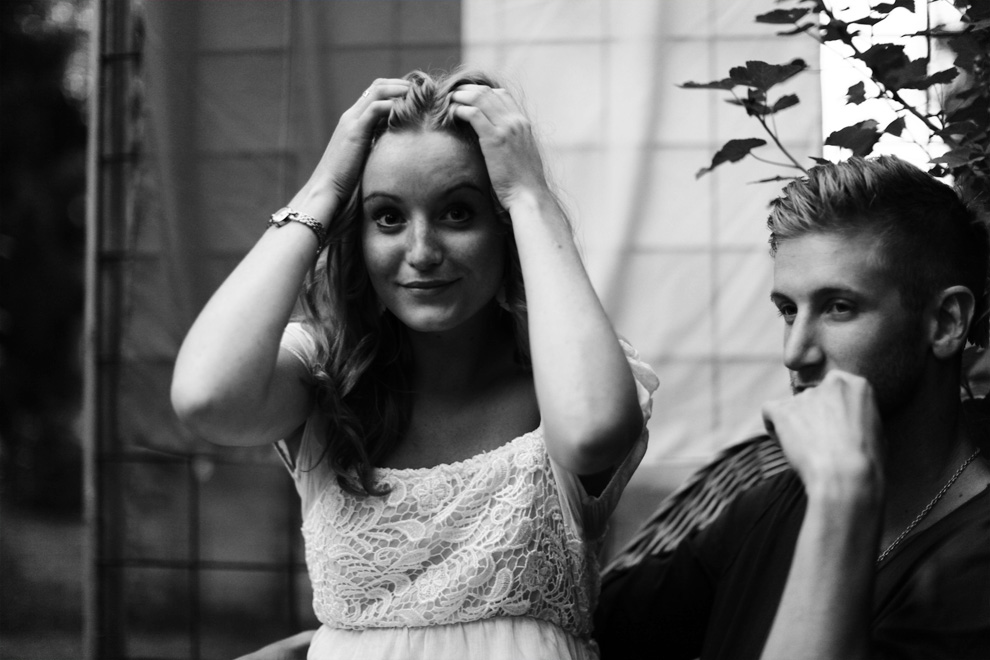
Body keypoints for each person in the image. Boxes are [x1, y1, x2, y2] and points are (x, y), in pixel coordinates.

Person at [171, 69, 658, 660]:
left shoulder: (568, 377)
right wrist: (324, 188)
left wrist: (532, 197)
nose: (422, 252)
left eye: (458, 213)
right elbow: (207, 398)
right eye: (388, 217)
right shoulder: (323, 370)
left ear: (504, 226)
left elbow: (593, 432)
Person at [594, 155, 990, 660]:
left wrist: (840, 497)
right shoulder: (769, 500)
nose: (796, 352)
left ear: (946, 322)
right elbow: (590, 634)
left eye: (839, 307)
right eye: (788, 310)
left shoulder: (976, 559)